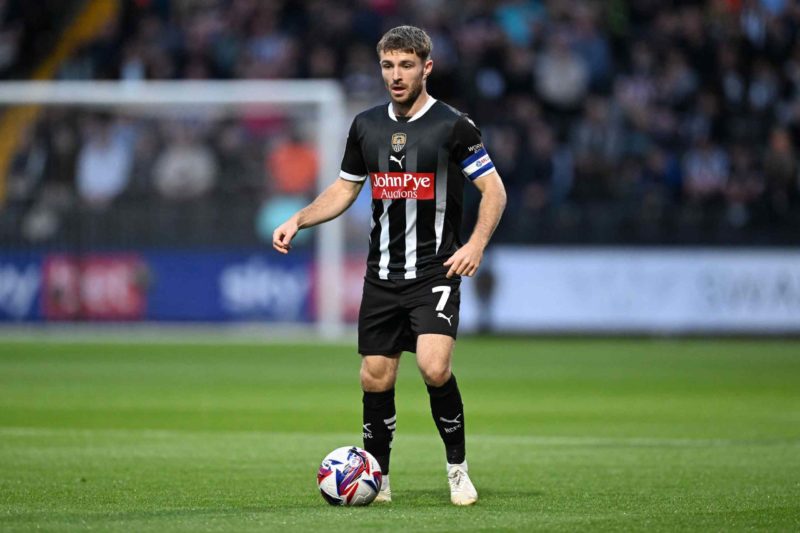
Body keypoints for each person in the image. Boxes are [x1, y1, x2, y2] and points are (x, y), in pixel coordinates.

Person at [272, 25, 506, 506]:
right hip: (382, 274)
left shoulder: (453, 125)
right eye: (387, 66)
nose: (396, 76)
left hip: (435, 270)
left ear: (426, 68)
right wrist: (299, 218)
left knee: (434, 367)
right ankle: (377, 478)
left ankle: (457, 471)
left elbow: (494, 190)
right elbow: (344, 189)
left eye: (405, 65)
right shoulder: (366, 126)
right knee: (374, 377)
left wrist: (476, 245)